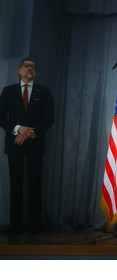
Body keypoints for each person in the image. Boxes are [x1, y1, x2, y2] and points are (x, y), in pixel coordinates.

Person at [0, 57, 55, 233]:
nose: (29, 68)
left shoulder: (44, 92)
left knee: (35, 183)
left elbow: (49, 118)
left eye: (33, 67)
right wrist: (18, 129)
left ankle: (34, 224)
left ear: (35, 72)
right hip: (14, 142)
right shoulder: (8, 91)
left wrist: (31, 132)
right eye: (26, 66)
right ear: (19, 70)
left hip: (35, 143)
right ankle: (15, 225)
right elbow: (1, 117)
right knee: (16, 183)